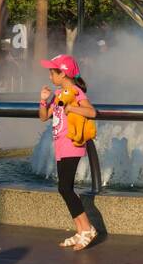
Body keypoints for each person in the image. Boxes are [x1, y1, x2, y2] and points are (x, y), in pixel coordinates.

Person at [39, 54, 99, 250]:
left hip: (72, 145)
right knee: (64, 188)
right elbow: (43, 117)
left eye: (52, 72)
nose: (50, 76)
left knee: (65, 188)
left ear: (63, 73)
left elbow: (91, 112)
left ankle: (88, 229)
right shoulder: (58, 94)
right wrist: (43, 101)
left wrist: (72, 109)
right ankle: (81, 230)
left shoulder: (75, 93)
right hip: (60, 147)